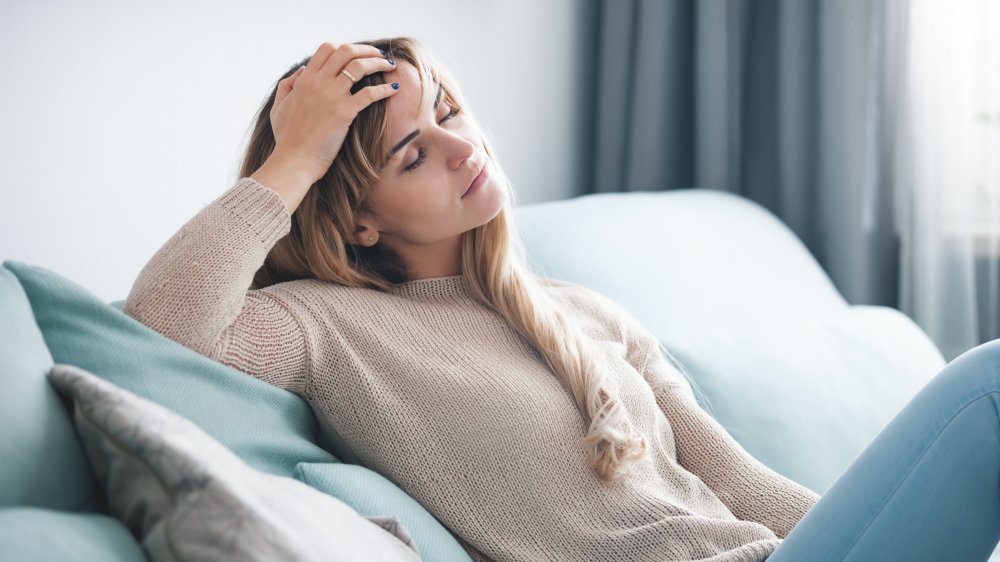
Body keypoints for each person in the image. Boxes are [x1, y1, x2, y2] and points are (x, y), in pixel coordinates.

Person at [124, 35, 1000, 562]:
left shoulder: (585, 310)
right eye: (412, 156)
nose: (461, 146)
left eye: (449, 112)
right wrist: (296, 158)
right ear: (357, 221)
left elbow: (740, 485)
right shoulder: (324, 325)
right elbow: (157, 331)